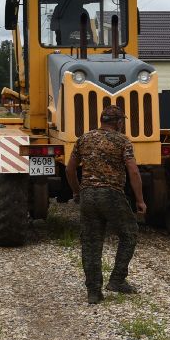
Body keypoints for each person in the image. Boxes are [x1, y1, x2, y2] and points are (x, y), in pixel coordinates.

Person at [65, 101, 147, 305]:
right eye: (122, 122)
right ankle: (117, 280)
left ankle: (94, 292)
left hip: (88, 196)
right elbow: (134, 171)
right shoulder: (122, 141)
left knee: (91, 243)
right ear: (119, 122)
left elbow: (69, 169)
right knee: (129, 233)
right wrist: (140, 200)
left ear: (102, 120)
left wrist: (77, 191)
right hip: (111, 194)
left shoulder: (84, 139)